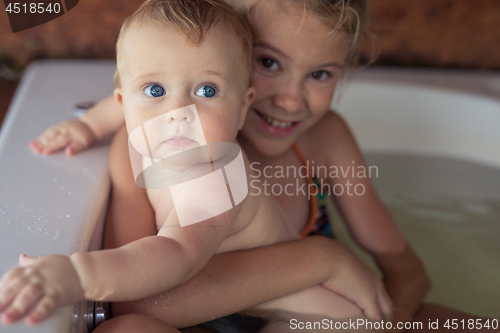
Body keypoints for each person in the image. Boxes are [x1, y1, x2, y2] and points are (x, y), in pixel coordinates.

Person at [30, 0, 496, 332]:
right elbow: (138, 303)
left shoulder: (324, 138)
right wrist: (320, 259)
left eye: (320, 74)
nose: (291, 99)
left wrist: (387, 324)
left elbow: (407, 272)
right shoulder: (168, 150)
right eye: (268, 61)